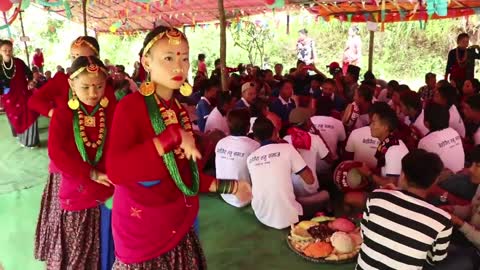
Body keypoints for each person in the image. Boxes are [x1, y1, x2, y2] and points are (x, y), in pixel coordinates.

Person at [105, 26, 251, 268]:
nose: (178, 67)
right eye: (169, 58)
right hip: (143, 234)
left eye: (184, 58)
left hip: (178, 225)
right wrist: (170, 137)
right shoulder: (130, 107)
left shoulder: (178, 110)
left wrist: (231, 186)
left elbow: (185, 175)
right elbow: (116, 171)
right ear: (146, 62)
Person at [31, 36, 117, 270]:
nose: (92, 92)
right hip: (73, 177)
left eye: (97, 86)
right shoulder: (64, 104)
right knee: (74, 238)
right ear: (72, 83)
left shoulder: (106, 98)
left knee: (104, 241)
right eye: (75, 56)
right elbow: (57, 152)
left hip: (104, 182)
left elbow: (116, 136)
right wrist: (55, 114)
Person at [356, 150, 452, 270]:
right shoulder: (442, 220)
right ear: (435, 181)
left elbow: (365, 234)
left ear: (403, 175)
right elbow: (435, 260)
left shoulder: (377, 196)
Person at [247, 117, 326, 229]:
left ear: (255, 138)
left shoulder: (251, 158)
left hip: (261, 215)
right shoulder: (287, 149)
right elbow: (310, 180)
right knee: (325, 195)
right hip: (288, 219)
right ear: (275, 132)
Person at [346, 103, 409, 208]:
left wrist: (369, 174)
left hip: (395, 199)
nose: (370, 126)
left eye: (374, 123)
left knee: (348, 198)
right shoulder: (388, 143)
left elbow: (392, 185)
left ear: (385, 127)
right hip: (387, 191)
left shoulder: (393, 150)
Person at [215, 109, 260, 208]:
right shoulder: (255, 146)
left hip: (223, 193)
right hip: (245, 198)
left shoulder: (220, 143)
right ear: (248, 127)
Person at [0, 39, 39, 147]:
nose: (7, 52)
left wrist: (31, 82)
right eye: (4, 50)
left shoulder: (19, 62)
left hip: (23, 94)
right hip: (9, 97)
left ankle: (31, 141)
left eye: (10, 50)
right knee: (15, 117)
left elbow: (30, 74)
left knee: (29, 114)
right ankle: (19, 134)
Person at [284, 108, 330, 197]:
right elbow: (329, 159)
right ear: (307, 122)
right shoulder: (315, 138)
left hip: (293, 190)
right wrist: (318, 133)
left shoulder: (285, 140)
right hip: (311, 189)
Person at [419, 103, 465, 173]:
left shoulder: (425, 142)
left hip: (445, 180)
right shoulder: (454, 132)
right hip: (460, 173)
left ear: (426, 123)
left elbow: (423, 169)